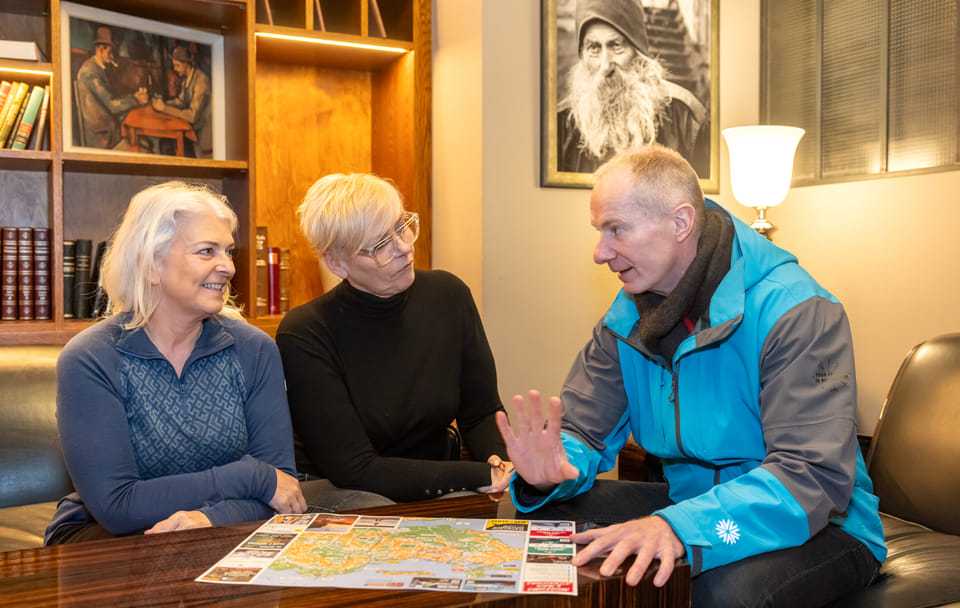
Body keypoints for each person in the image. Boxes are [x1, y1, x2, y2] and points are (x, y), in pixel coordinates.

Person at [496, 145, 887, 607]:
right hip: (690, 506)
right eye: (599, 231)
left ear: (680, 223)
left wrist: (677, 528)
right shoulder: (624, 322)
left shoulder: (797, 310)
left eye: (615, 229)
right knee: (538, 524)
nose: (600, 253)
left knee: (722, 594)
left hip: (823, 522)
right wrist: (552, 471)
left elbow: (811, 477)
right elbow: (583, 430)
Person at [45, 182, 305, 545]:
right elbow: (118, 507)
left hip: (224, 529)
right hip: (105, 538)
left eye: (229, 251)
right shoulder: (90, 358)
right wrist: (252, 477)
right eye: (206, 251)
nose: (228, 267)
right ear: (152, 265)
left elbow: (285, 491)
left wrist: (210, 518)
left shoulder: (254, 349)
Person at [276, 173, 513, 510]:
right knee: (378, 511)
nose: (404, 248)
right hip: (343, 489)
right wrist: (477, 476)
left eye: (401, 227)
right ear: (336, 262)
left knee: (514, 510)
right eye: (379, 246)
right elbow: (355, 468)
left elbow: (481, 412)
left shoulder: (448, 296)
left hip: (432, 479)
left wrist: (500, 464)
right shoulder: (305, 332)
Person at [557, 0, 710, 176]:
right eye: (594, 48)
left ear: (638, 51)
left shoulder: (685, 118)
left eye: (615, 46)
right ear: (582, 54)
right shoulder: (562, 125)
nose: (605, 65)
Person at [75, 26, 149, 149]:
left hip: (109, 131)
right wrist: (136, 100)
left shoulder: (99, 68)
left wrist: (134, 97)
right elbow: (112, 105)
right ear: (101, 49)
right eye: (111, 52)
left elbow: (112, 98)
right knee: (144, 148)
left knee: (145, 143)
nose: (113, 56)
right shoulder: (90, 72)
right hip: (103, 138)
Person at [152, 46, 212, 158]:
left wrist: (165, 109)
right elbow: (180, 101)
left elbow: (192, 116)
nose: (175, 69)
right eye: (174, 65)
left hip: (201, 133)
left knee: (169, 144)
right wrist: (163, 104)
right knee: (164, 142)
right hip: (190, 127)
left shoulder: (201, 81)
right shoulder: (187, 78)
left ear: (186, 63)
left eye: (177, 65)